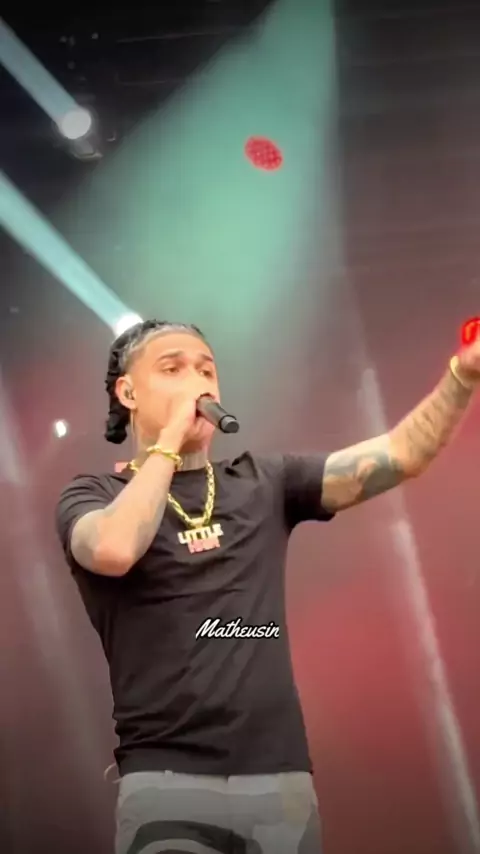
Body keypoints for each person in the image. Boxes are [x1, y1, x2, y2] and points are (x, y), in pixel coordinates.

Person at [55, 319, 480, 854]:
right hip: (167, 784)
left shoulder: (262, 480)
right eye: (173, 369)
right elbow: (114, 549)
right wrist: (168, 444)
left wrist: (463, 375)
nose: (197, 382)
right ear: (128, 392)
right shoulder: (94, 494)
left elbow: (401, 454)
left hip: (280, 785)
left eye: (207, 370)